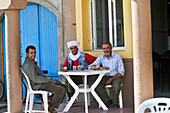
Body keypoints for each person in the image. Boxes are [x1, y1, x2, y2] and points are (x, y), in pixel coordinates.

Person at [22, 45, 66, 113]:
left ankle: (48, 101)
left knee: (62, 85)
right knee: (61, 89)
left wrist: (48, 79)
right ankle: (51, 107)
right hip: (37, 85)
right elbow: (36, 79)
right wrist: (49, 81)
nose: (33, 54)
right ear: (27, 54)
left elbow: (38, 74)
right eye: (31, 53)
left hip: (40, 83)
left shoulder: (32, 62)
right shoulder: (28, 65)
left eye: (34, 52)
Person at [90, 42, 125, 109]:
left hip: (116, 76)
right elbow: (91, 66)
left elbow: (121, 72)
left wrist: (111, 79)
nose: (106, 50)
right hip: (105, 76)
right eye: (104, 48)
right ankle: (108, 101)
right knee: (97, 86)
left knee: (116, 85)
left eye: (107, 48)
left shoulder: (117, 57)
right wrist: (101, 68)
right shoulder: (101, 57)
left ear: (111, 48)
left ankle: (115, 103)